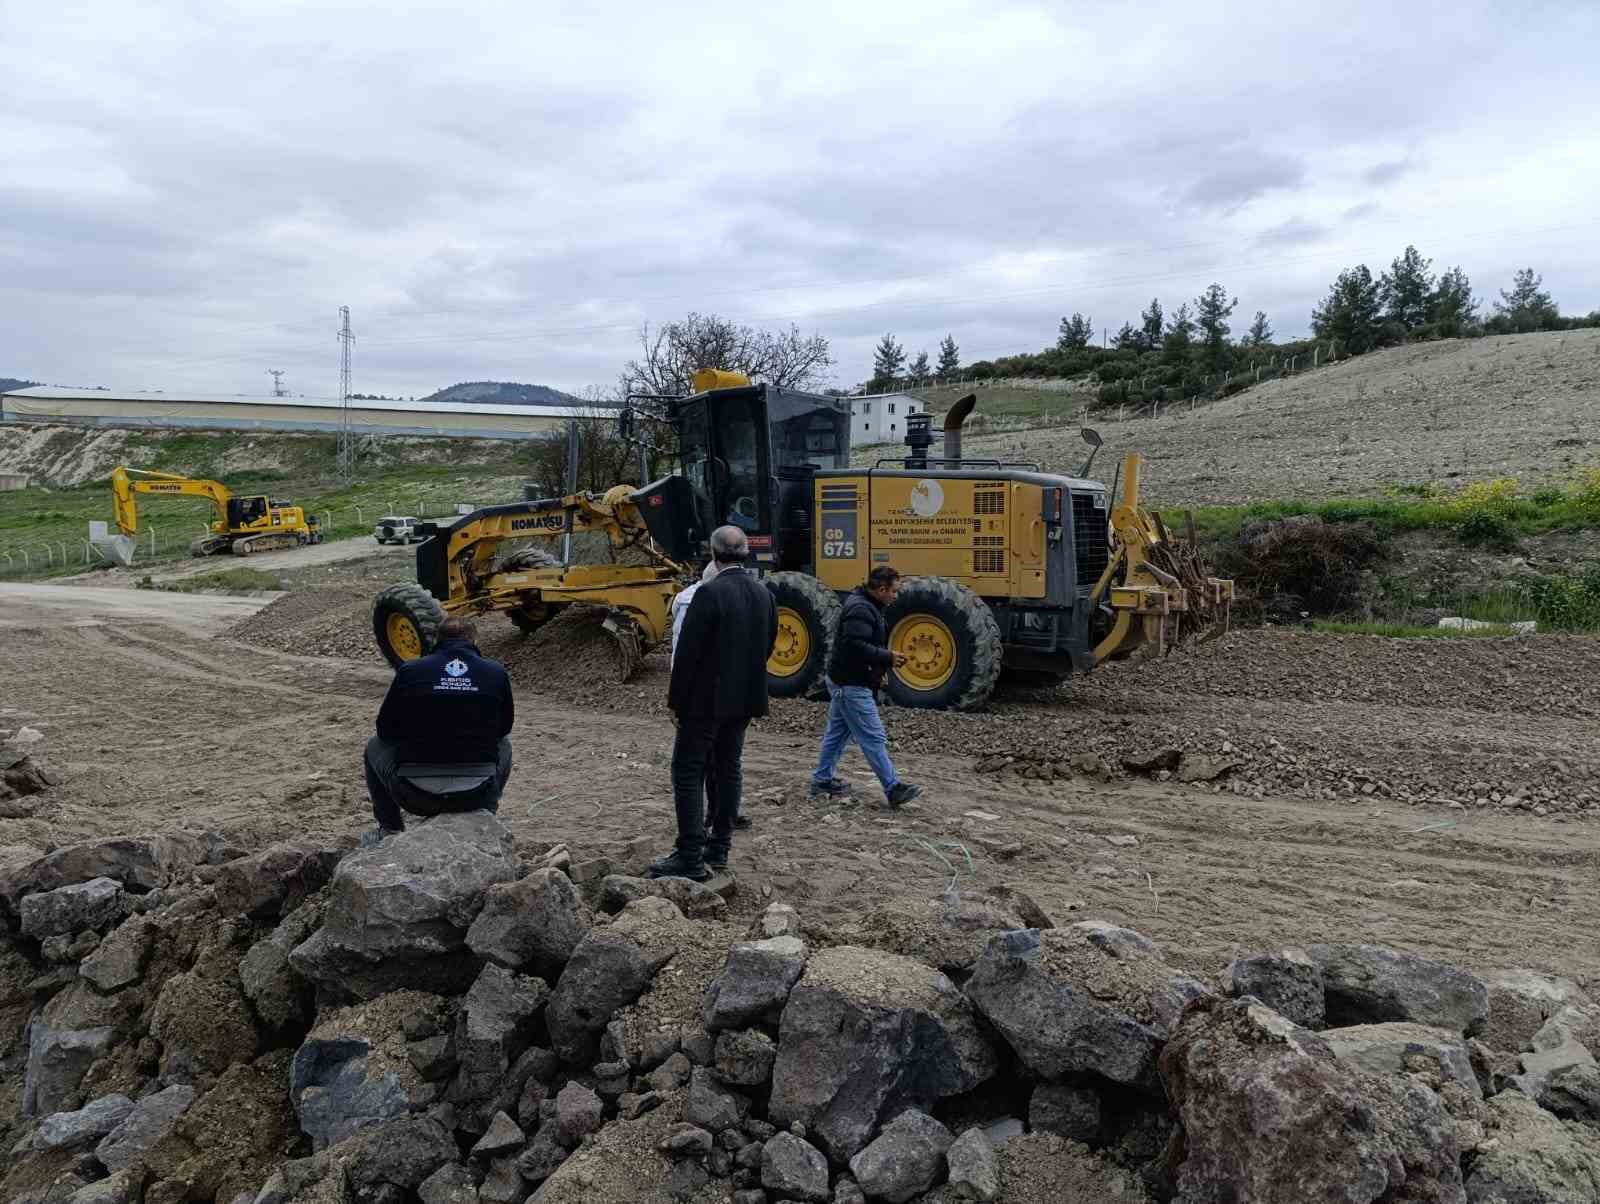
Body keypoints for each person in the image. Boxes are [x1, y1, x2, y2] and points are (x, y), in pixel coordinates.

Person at [651, 525, 777, 880]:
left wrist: (676, 703)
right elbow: (767, 645)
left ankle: (690, 856)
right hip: (745, 699)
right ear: (746, 552)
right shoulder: (763, 594)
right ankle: (719, 848)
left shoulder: (709, 593)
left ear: (712, 552)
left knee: (688, 772)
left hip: (705, 703)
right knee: (728, 767)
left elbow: (688, 655)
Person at [364, 615, 514, 834]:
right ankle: (487, 813)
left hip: (416, 796)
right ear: (474, 640)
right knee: (505, 745)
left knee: (373, 746)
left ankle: (390, 829)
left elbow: (385, 730)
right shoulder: (496, 672)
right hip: (476, 794)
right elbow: (504, 729)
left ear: (437, 640)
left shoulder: (410, 671)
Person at [809, 565, 922, 807]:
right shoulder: (861, 609)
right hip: (850, 684)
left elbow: (858, 648)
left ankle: (822, 780)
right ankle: (893, 788)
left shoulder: (867, 605)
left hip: (846, 680)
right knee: (873, 736)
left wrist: (877, 672)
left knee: (837, 735)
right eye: (894, 591)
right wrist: (887, 658)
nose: (896, 596)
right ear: (881, 589)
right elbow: (854, 647)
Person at [670, 562, 753, 835]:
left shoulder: (710, 598)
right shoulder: (695, 602)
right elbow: (684, 651)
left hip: (715, 692)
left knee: (720, 761)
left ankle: (718, 815)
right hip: (709, 694)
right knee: (708, 762)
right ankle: (712, 821)